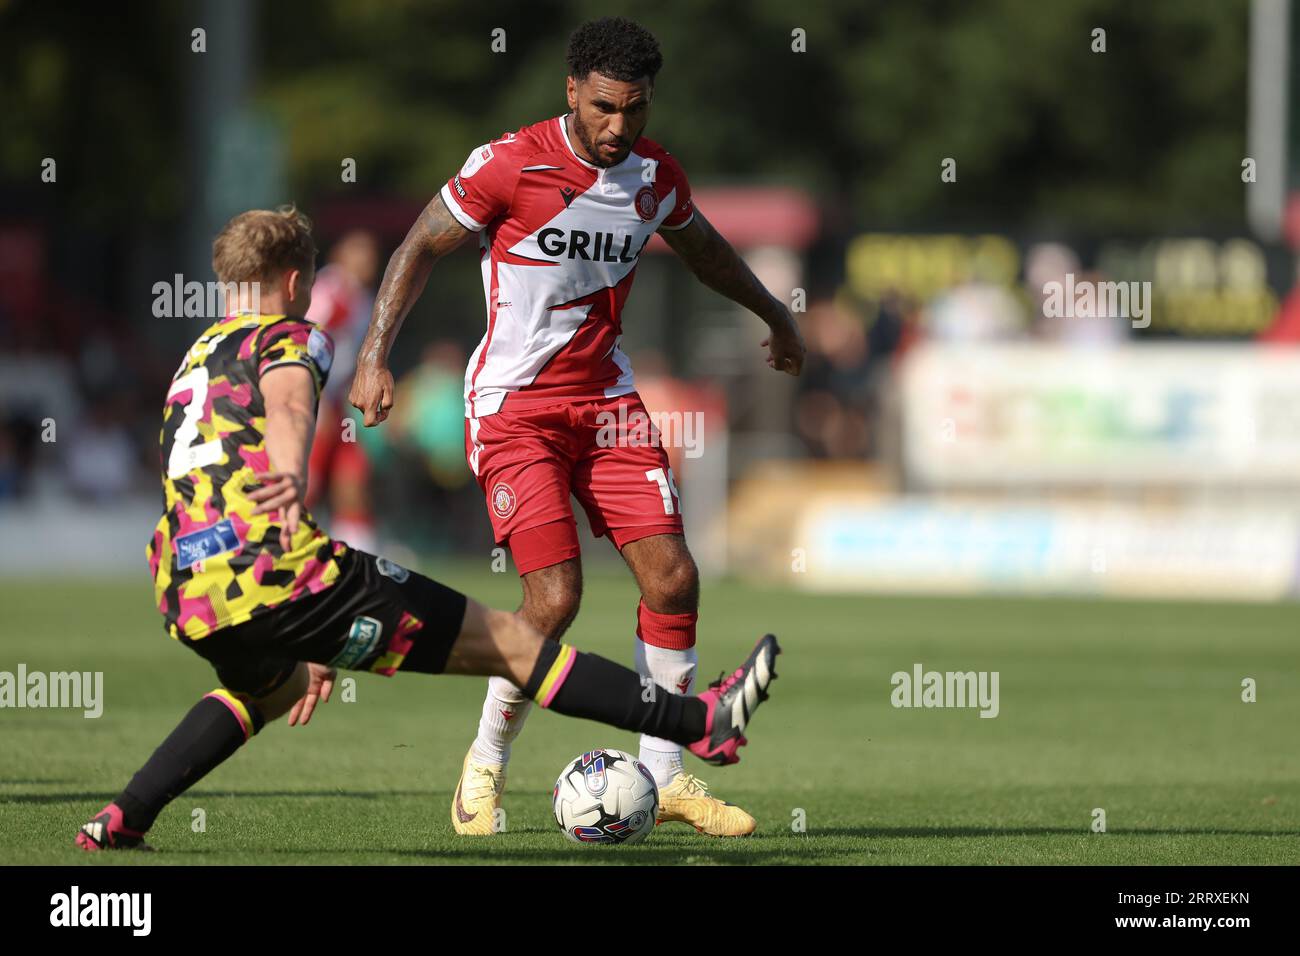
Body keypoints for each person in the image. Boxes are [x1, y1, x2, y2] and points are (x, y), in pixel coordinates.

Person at [75, 206, 779, 851]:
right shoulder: (293, 336)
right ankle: (699, 723)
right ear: (295, 279)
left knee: (273, 689)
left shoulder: (193, 359)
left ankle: (125, 815)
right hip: (279, 570)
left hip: (188, 586)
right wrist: (292, 472)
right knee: (511, 644)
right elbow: (290, 403)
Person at [349, 15, 805, 839]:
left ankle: (665, 778)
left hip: (608, 406)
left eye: (634, 109)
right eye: (603, 107)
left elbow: (704, 251)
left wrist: (773, 313)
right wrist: (376, 353)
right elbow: (418, 247)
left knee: (672, 577)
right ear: (571, 90)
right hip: (514, 408)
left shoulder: (654, 175)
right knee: (554, 598)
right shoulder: (508, 165)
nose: (618, 127)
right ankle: (484, 766)